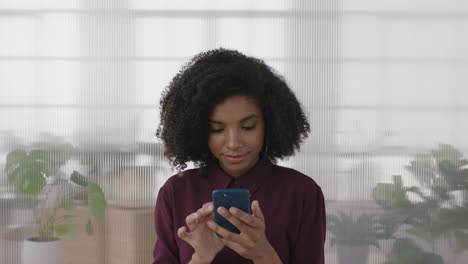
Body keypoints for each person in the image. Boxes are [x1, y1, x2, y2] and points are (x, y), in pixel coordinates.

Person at [153, 48, 326, 264]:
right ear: (198, 130)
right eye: (217, 129)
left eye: (248, 126)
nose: (234, 143)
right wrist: (200, 258)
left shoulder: (302, 193)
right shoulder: (176, 192)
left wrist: (263, 254)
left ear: (269, 124)